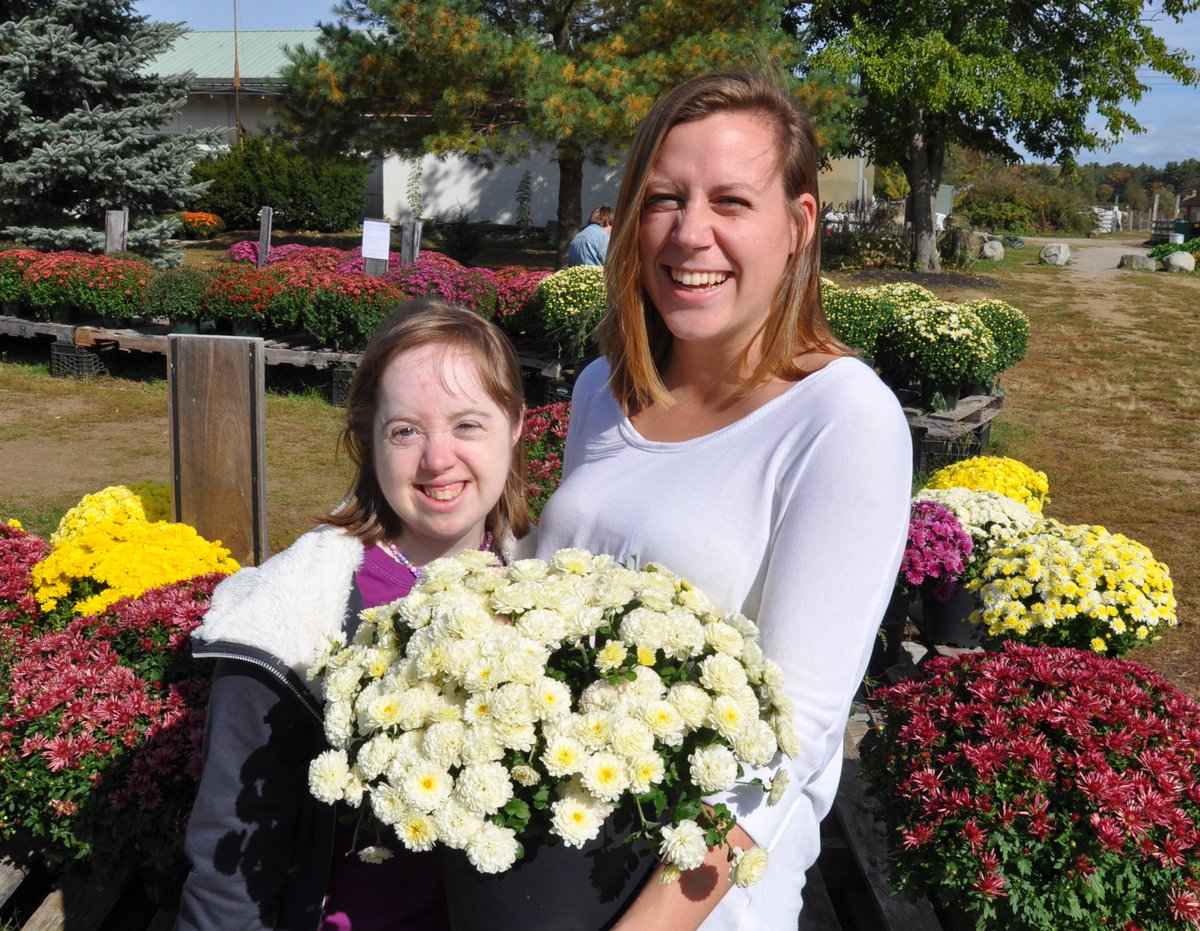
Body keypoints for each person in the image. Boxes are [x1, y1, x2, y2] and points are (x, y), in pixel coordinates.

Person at [533, 70, 912, 929]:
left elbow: (792, 742)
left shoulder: (842, 418)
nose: (689, 233)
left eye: (732, 202)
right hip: (549, 860)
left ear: (800, 225)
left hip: (696, 908)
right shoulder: (607, 387)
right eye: (664, 198)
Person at [176, 300, 530, 931]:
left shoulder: (548, 595)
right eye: (406, 431)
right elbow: (231, 862)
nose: (438, 459)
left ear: (516, 427)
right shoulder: (293, 617)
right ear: (369, 441)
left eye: (469, 425)